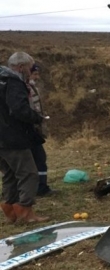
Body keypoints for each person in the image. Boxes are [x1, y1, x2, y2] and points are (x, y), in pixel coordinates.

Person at [0, 52, 49, 223]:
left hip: (2, 139)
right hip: (13, 137)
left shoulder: (2, 80)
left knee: (10, 174)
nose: (30, 71)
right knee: (28, 173)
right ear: (21, 67)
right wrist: (37, 118)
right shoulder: (14, 82)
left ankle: (10, 210)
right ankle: (25, 211)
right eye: (29, 68)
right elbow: (19, 109)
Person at [27, 64, 56, 197]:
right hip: (29, 130)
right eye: (35, 74)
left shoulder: (31, 87)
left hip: (34, 128)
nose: (37, 77)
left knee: (37, 158)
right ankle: (40, 188)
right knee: (38, 158)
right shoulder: (24, 88)